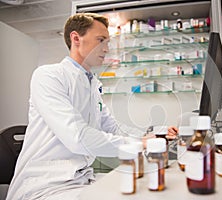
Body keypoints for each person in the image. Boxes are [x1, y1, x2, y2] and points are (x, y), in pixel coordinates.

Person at [6, 13, 178, 200]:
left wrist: (154, 135)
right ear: (76, 38)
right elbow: (78, 137)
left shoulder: (92, 85)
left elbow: (112, 128)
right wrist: (139, 144)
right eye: (101, 40)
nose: (107, 48)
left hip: (80, 179)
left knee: (143, 190)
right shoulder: (49, 76)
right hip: (46, 184)